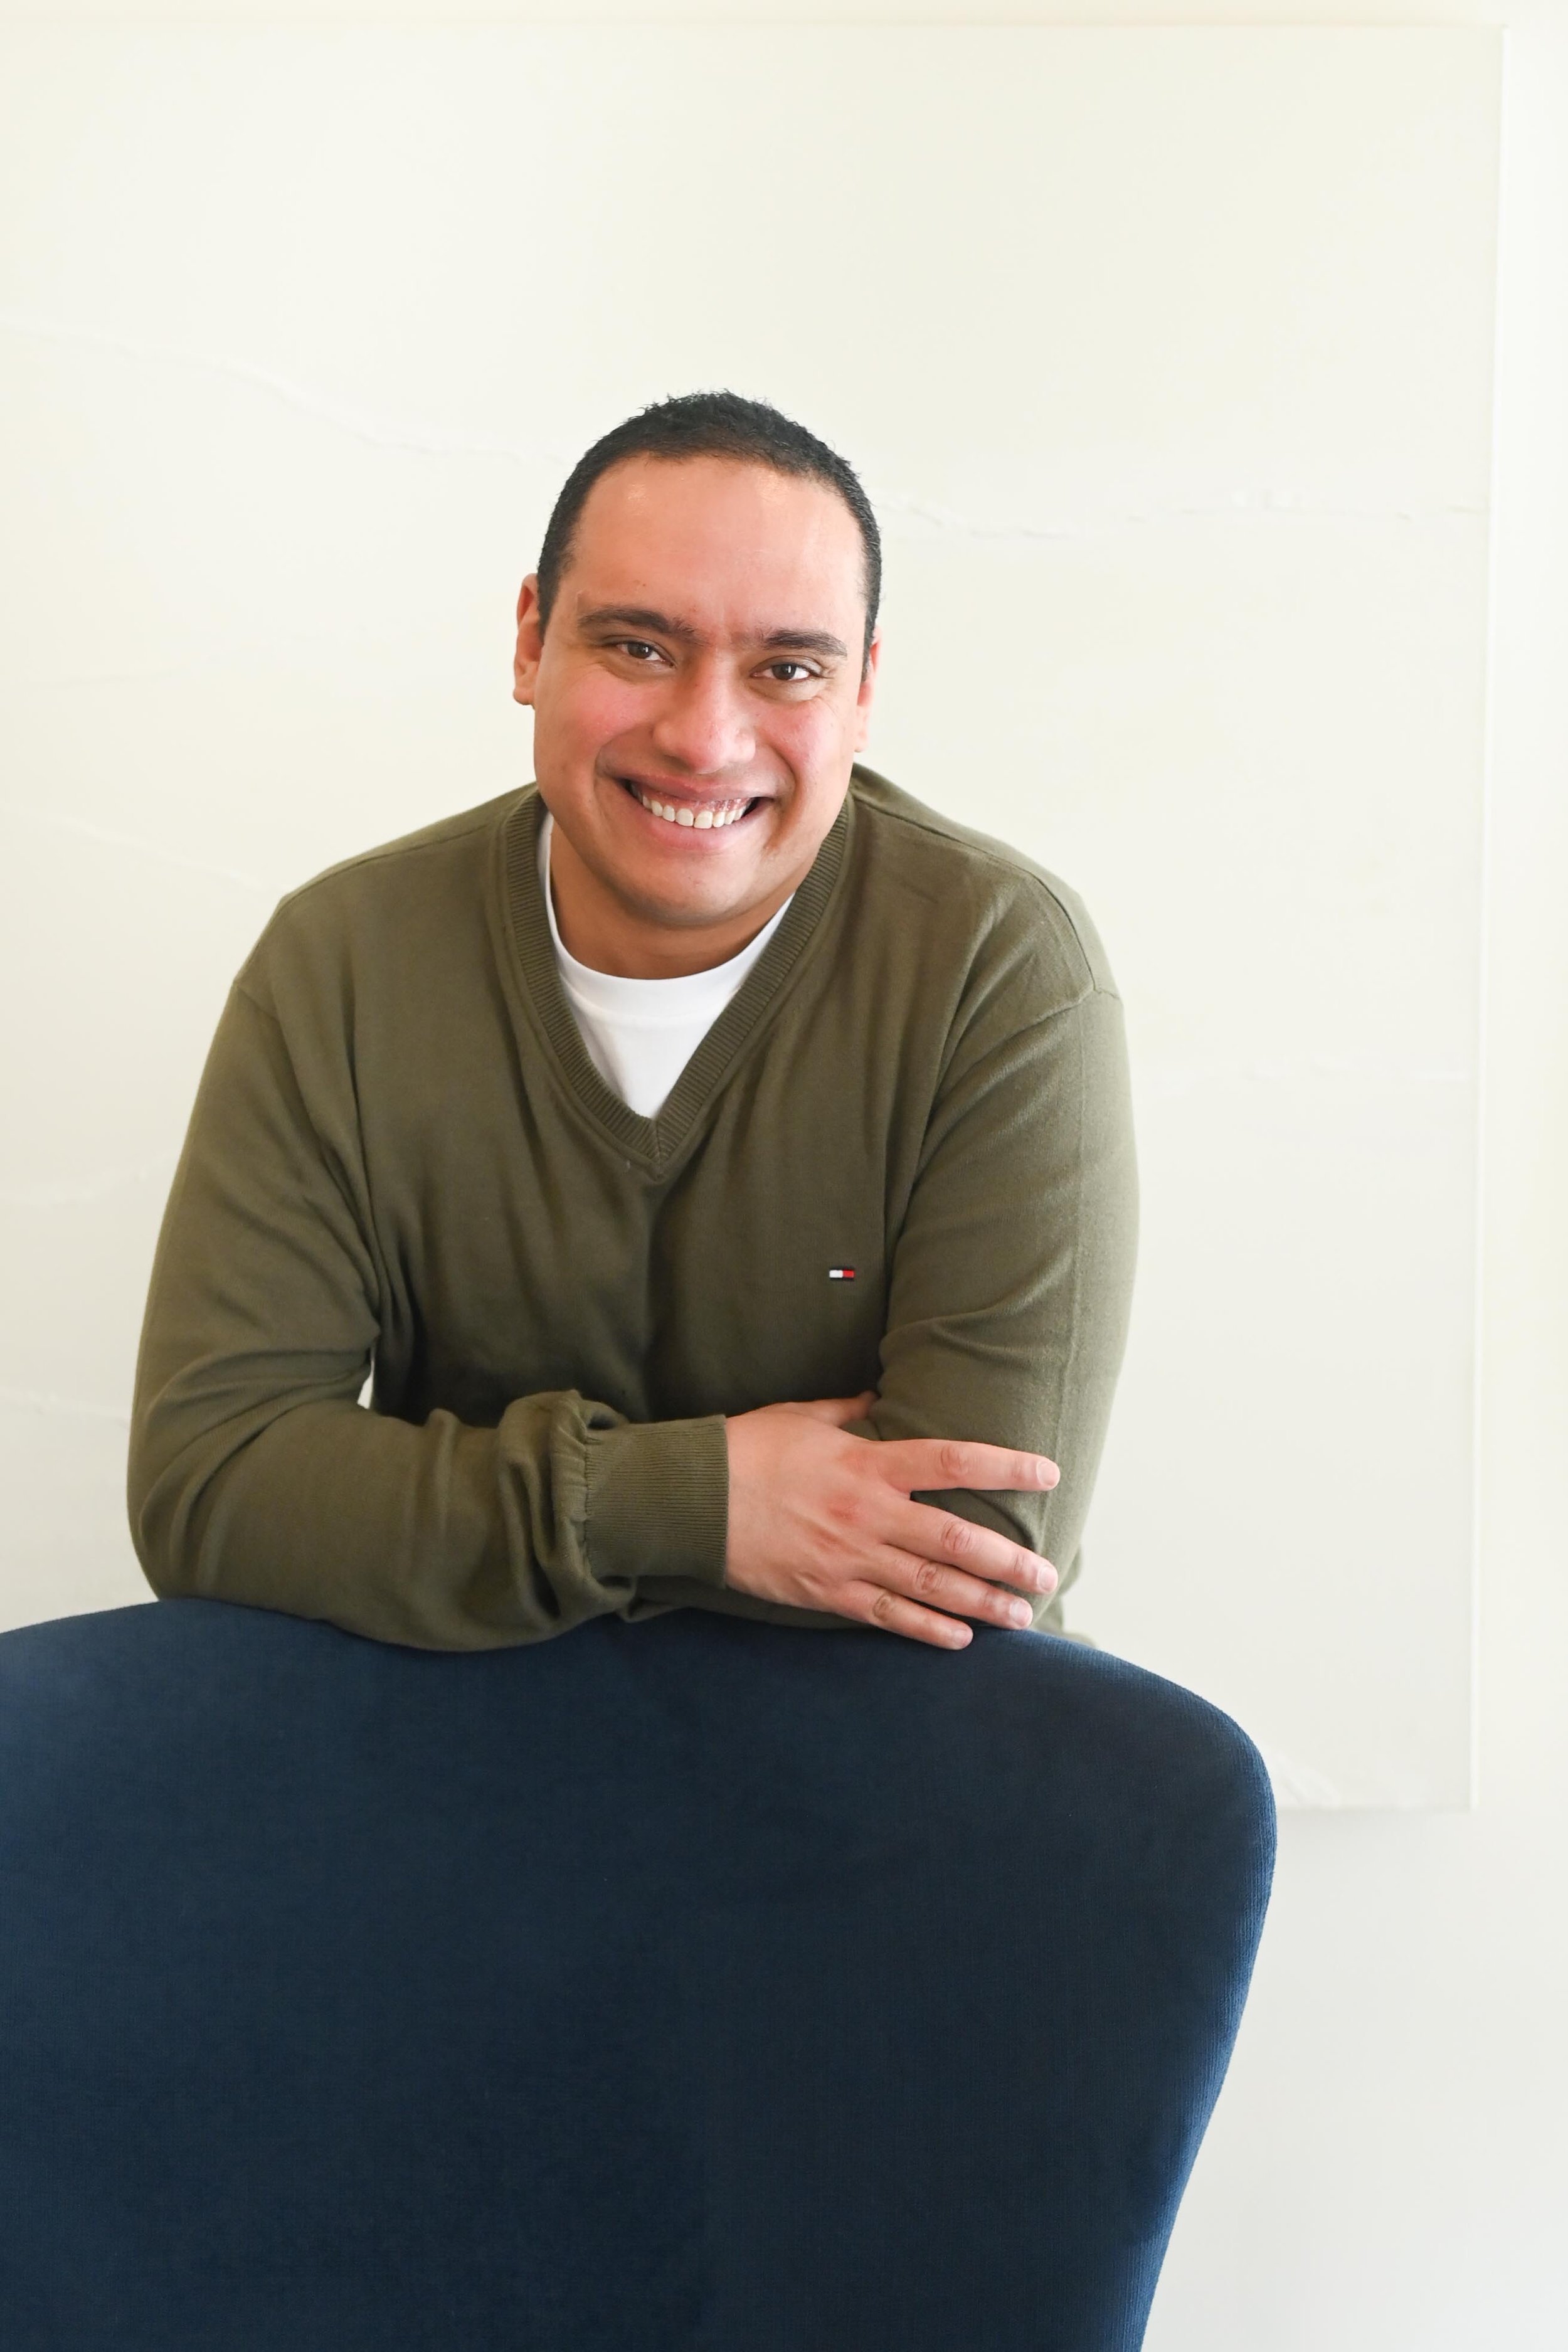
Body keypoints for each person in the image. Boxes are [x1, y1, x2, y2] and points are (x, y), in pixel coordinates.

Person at [128, 392, 1138, 1655]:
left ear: (862, 692)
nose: (705, 738)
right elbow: (211, 1490)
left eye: (787, 668)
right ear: (529, 641)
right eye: (638, 648)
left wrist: (434, 1524)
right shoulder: (340, 963)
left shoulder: (998, 966)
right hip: (459, 1750)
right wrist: (699, 1505)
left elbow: (975, 1547)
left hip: (891, 1763)